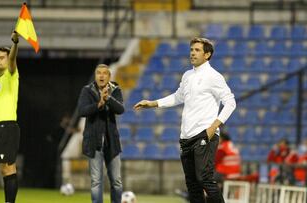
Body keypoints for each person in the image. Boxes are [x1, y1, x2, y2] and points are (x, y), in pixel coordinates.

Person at [134, 37, 236, 203]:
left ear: (207, 54)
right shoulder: (188, 75)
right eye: (191, 50)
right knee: (193, 185)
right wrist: (152, 103)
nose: (192, 53)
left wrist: (213, 127)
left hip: (205, 134)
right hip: (186, 136)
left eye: (197, 50)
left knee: (204, 179)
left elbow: (231, 102)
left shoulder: (214, 76)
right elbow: (178, 97)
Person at [77, 64, 124, 203]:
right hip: (93, 142)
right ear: (95, 76)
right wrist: (99, 104)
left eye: (104, 73)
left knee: (116, 181)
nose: (101, 76)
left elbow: (120, 109)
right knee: (96, 182)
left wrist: (108, 99)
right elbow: (82, 111)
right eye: (98, 73)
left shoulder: (115, 90)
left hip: (112, 143)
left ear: (109, 76)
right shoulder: (87, 90)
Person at [0, 31, 20, 203]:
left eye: (1, 57)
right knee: (4, 169)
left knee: (9, 169)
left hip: (7, 127)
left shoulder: (11, 75)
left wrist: (15, 43)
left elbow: (13, 60)